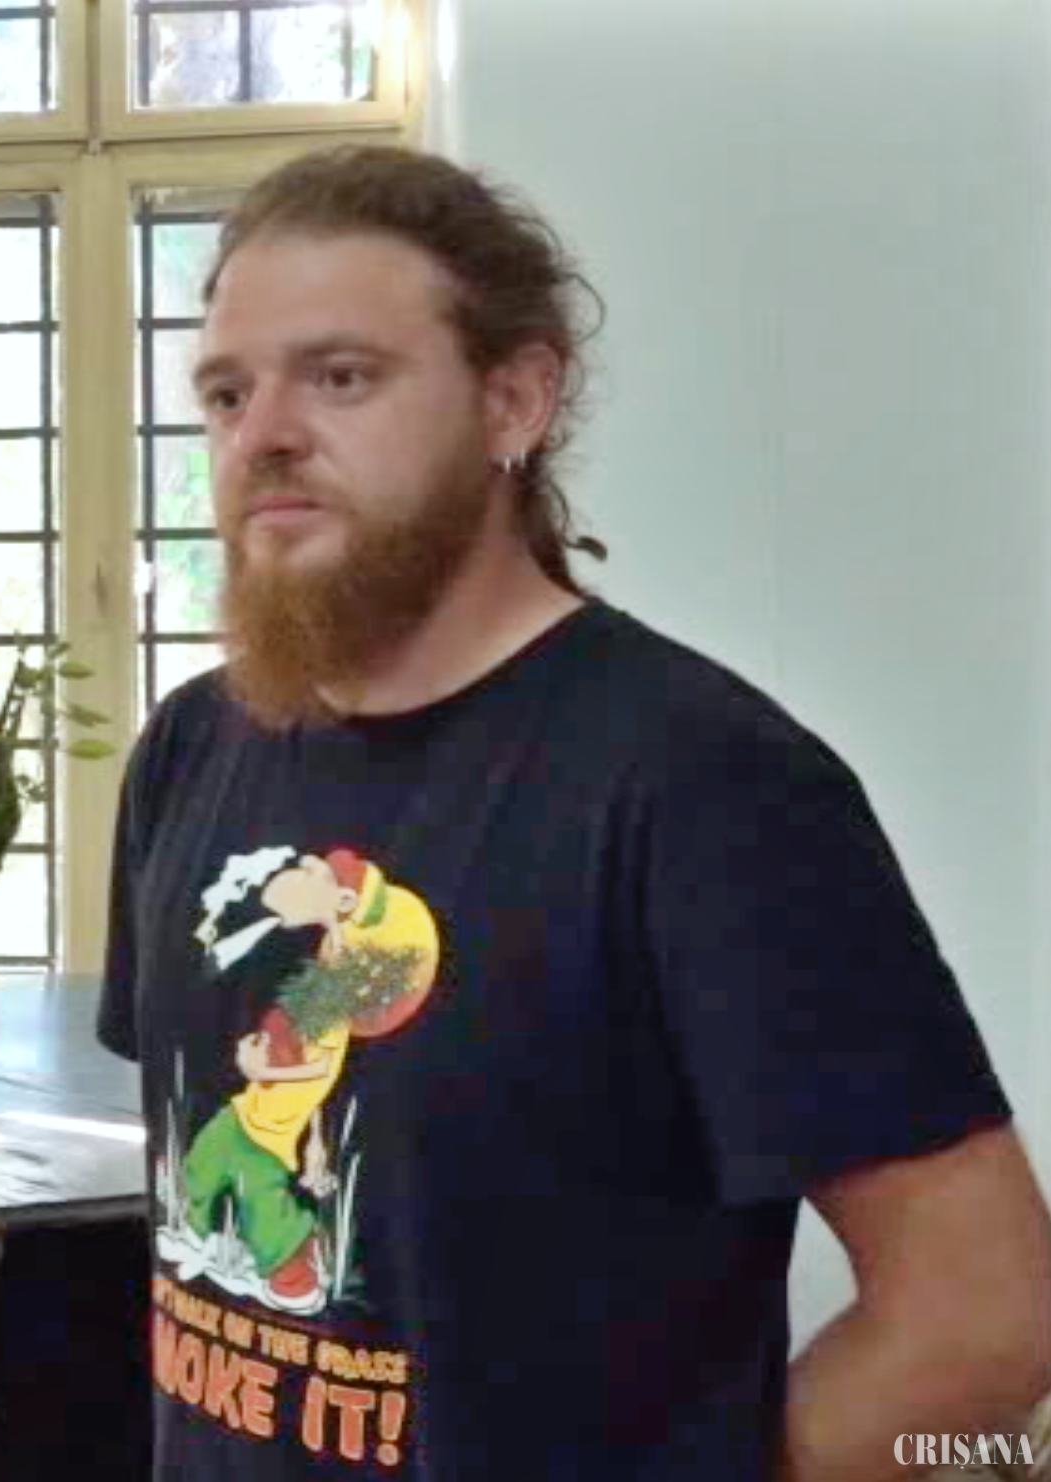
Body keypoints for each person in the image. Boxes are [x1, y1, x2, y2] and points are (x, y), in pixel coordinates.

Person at [100, 144, 1051, 1478]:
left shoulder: (704, 785)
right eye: (224, 391)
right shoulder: (191, 748)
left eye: (341, 376)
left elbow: (985, 1317)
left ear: (514, 400)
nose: (262, 434)